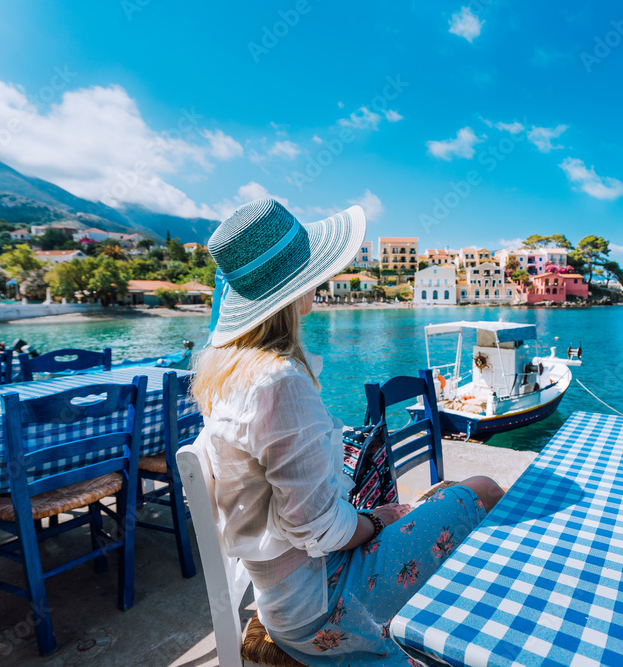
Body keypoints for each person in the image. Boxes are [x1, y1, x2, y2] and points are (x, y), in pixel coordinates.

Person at [191, 198, 504, 665]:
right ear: (296, 289)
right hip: (321, 603)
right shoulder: (278, 382)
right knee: (481, 490)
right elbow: (319, 530)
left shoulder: (225, 372)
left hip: (287, 595)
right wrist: (381, 518)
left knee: (456, 497)